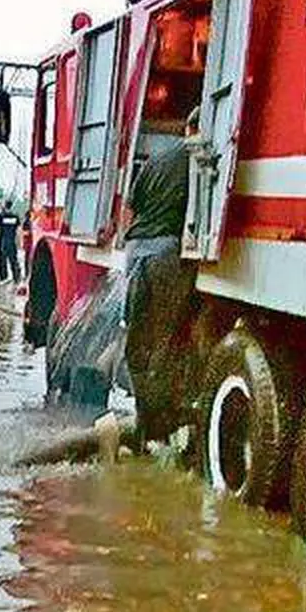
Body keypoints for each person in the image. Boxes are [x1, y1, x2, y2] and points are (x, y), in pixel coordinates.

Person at [123, 107, 201, 447]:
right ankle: (161, 425)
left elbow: (130, 209)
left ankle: (143, 421)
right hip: (166, 253)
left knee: (137, 339)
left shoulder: (155, 159)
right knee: (166, 340)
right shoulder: (197, 158)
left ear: (186, 126)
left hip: (135, 251)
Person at [0, 199, 23, 284]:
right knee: (13, 260)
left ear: (5, 205)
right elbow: (19, 230)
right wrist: (19, 242)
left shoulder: (2, 216)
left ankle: (3, 277)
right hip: (12, 241)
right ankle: (16, 277)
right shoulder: (15, 216)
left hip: (3, 241)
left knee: (2, 260)